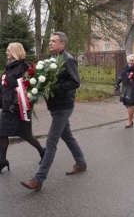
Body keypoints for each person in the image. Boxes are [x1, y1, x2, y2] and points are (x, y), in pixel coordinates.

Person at [21, 32, 87, 190]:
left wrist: (53, 89)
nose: (50, 43)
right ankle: (81, 162)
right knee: (67, 136)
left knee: (51, 142)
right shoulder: (51, 59)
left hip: (64, 106)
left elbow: (75, 82)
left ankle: (38, 179)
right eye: (50, 41)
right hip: (55, 105)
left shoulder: (68, 60)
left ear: (62, 44)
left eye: (53, 41)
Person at [0, 43, 45, 173]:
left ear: (15, 52)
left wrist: (15, 104)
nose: (6, 53)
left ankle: (43, 152)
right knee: (2, 134)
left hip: (18, 108)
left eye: (9, 51)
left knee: (26, 134)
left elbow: (24, 88)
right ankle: (2, 161)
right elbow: (4, 86)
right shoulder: (9, 67)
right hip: (7, 107)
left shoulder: (23, 68)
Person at [114, 54, 134, 128]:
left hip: (133, 89)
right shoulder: (125, 67)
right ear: (128, 61)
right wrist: (117, 84)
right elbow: (121, 76)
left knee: (130, 104)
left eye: (133, 61)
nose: (131, 62)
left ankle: (130, 121)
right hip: (125, 88)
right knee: (126, 104)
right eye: (130, 61)